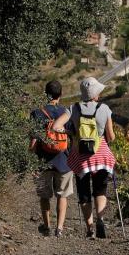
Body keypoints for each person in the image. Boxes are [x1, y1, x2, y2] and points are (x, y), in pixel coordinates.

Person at [53, 77, 116, 239]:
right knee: (100, 190)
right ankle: (100, 219)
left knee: (84, 193)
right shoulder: (105, 108)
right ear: (95, 94)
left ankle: (90, 228)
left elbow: (56, 127)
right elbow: (111, 136)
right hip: (101, 155)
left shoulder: (73, 108)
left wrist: (72, 134)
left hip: (80, 157)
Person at [29, 80, 74, 237]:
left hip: (43, 161)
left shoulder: (37, 113)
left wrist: (32, 161)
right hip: (64, 161)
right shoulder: (67, 112)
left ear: (45, 94)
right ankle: (59, 228)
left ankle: (47, 226)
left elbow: (33, 140)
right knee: (62, 195)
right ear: (61, 94)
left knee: (44, 195)